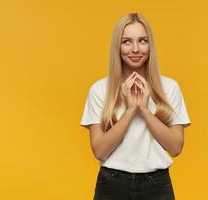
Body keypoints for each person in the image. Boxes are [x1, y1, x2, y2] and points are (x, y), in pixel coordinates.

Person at [80, 12, 191, 200]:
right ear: (118, 46)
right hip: (111, 184)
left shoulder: (170, 87)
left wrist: (145, 110)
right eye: (127, 41)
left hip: (157, 185)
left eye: (142, 41)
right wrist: (131, 110)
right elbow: (99, 150)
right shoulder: (99, 90)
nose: (135, 49)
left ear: (150, 46)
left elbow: (175, 147)